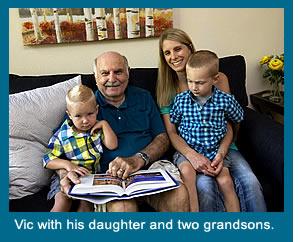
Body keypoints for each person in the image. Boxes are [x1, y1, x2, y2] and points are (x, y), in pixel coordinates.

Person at [59, 51, 190, 212]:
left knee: (179, 194)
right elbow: (59, 148)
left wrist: (139, 158)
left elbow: (162, 137)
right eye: (105, 73)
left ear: (128, 73)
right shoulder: (85, 106)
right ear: (96, 77)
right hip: (108, 175)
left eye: (118, 72)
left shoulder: (143, 97)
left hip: (150, 167)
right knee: (122, 208)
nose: (112, 79)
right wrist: (65, 172)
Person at [156, 28, 266, 211]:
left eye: (178, 49)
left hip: (223, 145)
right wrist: (193, 156)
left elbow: (230, 122)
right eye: (167, 52)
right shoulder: (167, 89)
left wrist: (221, 154)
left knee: (250, 181)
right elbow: (172, 132)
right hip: (191, 149)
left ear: (189, 48)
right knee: (204, 187)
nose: (173, 56)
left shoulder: (218, 78)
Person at [170, 50, 243, 212]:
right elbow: (174, 123)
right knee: (187, 173)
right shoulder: (181, 100)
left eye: (200, 83)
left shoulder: (225, 100)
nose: (194, 87)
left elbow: (238, 118)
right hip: (189, 152)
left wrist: (222, 152)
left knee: (226, 182)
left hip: (216, 151)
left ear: (215, 79)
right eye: (190, 81)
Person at [43, 84, 118, 212]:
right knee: (62, 200)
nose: (85, 121)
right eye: (78, 116)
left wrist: (104, 124)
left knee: (87, 204)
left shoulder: (97, 129)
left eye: (90, 114)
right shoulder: (63, 135)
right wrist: (68, 165)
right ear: (69, 115)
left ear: (97, 110)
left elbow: (113, 145)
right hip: (67, 175)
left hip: (90, 177)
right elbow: (47, 160)